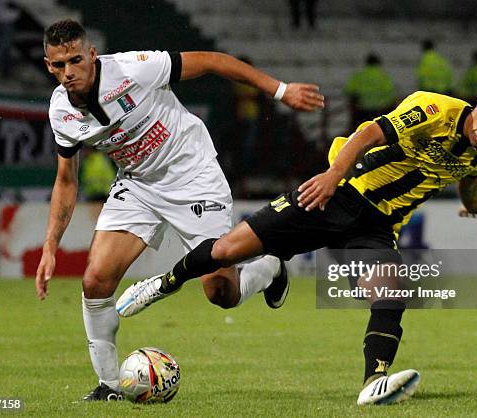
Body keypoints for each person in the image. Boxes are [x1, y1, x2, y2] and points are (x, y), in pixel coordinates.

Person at [120, 78, 477, 405]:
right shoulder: (434, 108)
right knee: (228, 254)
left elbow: (470, 180)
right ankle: (163, 284)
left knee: (391, 290)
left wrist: (473, 204)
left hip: (376, 227)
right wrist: (330, 178)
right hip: (340, 192)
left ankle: (373, 381)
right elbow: (366, 135)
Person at [34, 19, 324, 401]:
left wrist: (280, 90)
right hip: (137, 184)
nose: (68, 73)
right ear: (47, 64)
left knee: (222, 293)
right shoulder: (61, 113)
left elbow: (212, 61)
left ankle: (269, 267)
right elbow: (66, 180)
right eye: (58, 65)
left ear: (91, 54)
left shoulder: (134, 68)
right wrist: (51, 245)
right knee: (95, 281)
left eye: (75, 60)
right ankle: (108, 386)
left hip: (194, 176)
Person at [344, 53, 397, 133]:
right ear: (378, 63)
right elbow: (391, 94)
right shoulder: (384, 76)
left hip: (362, 110)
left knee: (359, 131)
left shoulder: (359, 76)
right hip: (380, 110)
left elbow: (349, 91)